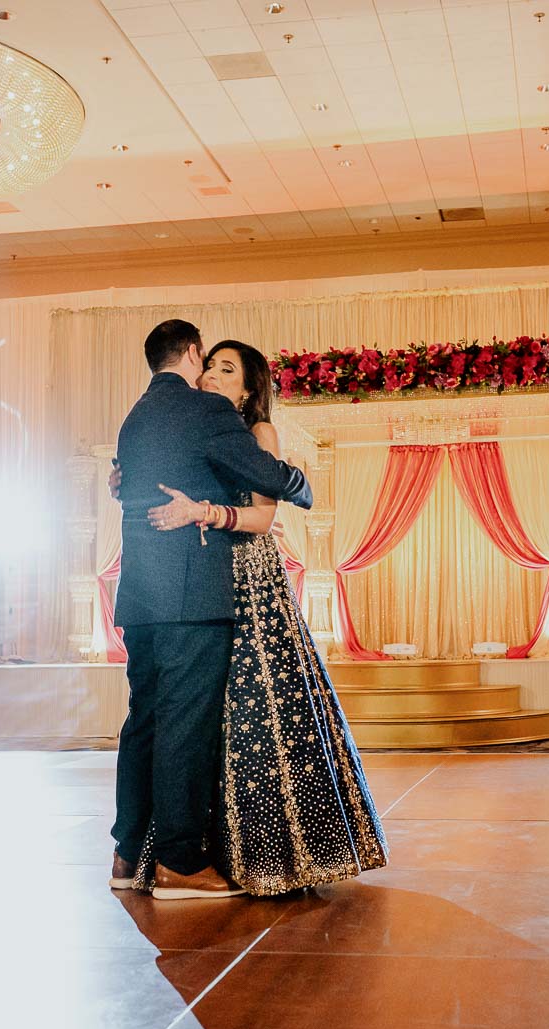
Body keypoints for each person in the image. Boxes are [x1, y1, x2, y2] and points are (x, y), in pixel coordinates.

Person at [140, 340, 387, 895]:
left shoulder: (258, 435)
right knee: (199, 714)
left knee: (259, 711)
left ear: (250, 388)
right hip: (201, 577)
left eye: (226, 370)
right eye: (207, 367)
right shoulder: (198, 427)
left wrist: (204, 512)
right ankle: (196, 849)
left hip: (249, 580)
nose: (209, 377)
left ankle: (275, 852)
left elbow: (263, 516)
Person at [110, 319, 315, 901]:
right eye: (211, 362)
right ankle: (178, 862)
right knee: (183, 725)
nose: (212, 373)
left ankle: (128, 856)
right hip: (191, 591)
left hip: (143, 594)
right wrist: (302, 484)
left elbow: (126, 486)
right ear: (194, 354)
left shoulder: (136, 416)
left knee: (143, 721)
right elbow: (267, 478)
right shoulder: (206, 412)